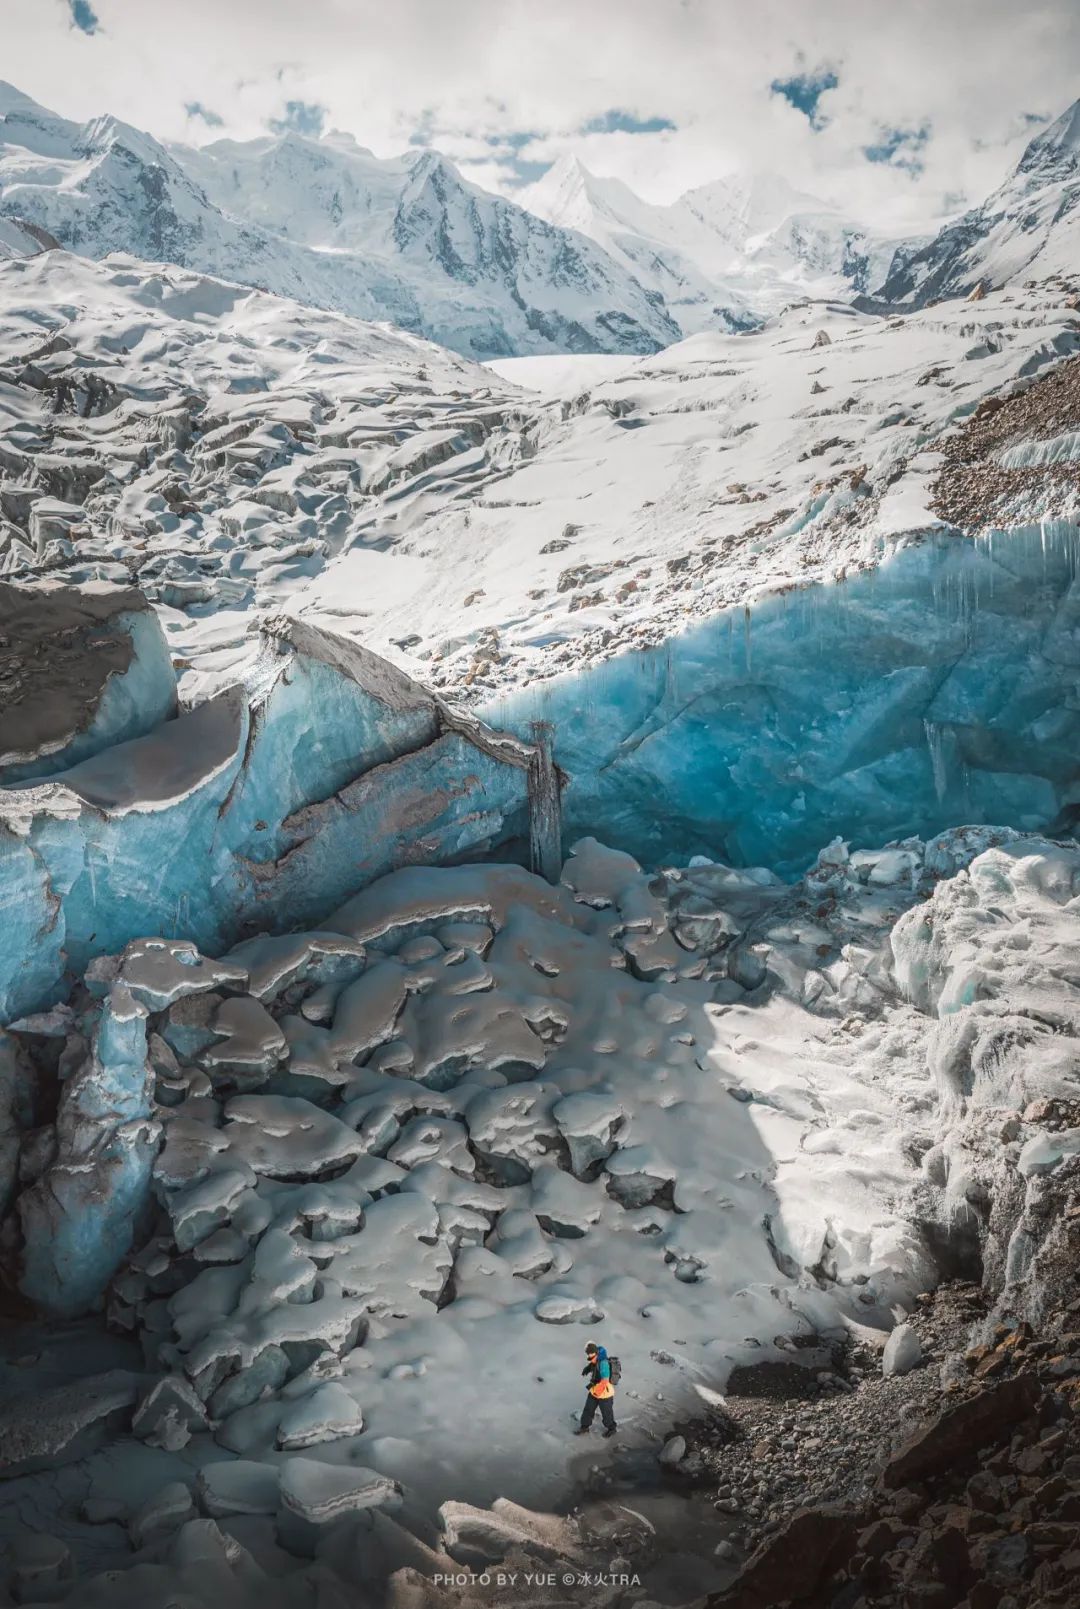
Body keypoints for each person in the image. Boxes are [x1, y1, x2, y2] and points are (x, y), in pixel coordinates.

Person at [575, 1341, 616, 1437]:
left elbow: (605, 1380)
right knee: (588, 1409)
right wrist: (587, 1369)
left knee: (607, 1413)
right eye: (589, 1356)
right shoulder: (596, 1360)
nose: (590, 1358)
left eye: (591, 1356)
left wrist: (598, 1392)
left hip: (605, 1393)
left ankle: (612, 1428)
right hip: (595, 1391)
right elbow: (593, 1365)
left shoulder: (603, 1363)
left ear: (596, 1353)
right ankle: (584, 1427)